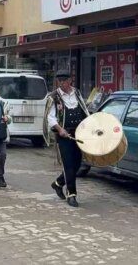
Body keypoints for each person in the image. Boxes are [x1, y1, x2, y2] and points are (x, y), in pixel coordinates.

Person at [46, 70, 90, 207]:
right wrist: (60, 130)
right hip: (64, 137)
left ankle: (58, 183)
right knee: (68, 165)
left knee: (77, 164)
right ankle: (72, 194)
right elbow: (50, 118)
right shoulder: (54, 97)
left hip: (78, 134)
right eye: (60, 81)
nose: (62, 83)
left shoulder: (76, 93)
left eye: (65, 80)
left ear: (70, 80)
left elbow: (84, 110)